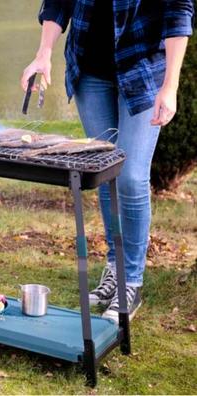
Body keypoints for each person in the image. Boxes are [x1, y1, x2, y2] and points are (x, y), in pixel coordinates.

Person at [22, 0, 194, 323]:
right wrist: (43, 53)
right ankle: (115, 269)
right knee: (105, 172)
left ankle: (132, 282)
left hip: (142, 70)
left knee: (130, 178)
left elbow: (178, 11)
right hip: (89, 73)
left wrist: (170, 86)